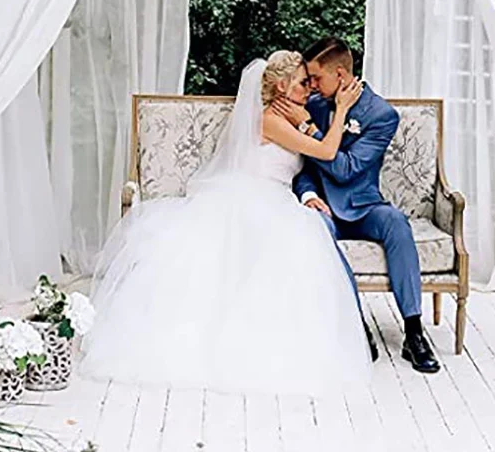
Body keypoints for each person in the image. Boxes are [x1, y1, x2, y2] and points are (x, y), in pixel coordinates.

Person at [79, 52, 372, 396]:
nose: (308, 88)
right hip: (255, 198)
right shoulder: (270, 120)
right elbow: (326, 152)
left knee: (298, 243)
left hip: (273, 198)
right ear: (281, 86)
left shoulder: (286, 118)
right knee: (289, 245)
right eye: (301, 82)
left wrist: (305, 125)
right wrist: (340, 110)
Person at [280, 37, 440, 374]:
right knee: (316, 229)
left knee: (396, 222)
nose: (311, 85)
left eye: (316, 78)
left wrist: (311, 129)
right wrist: (308, 195)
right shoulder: (315, 105)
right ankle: (357, 326)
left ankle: (414, 331)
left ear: (340, 75)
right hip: (324, 207)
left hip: (364, 206)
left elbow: (347, 168)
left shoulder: (381, 114)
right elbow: (303, 167)